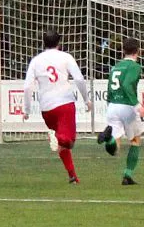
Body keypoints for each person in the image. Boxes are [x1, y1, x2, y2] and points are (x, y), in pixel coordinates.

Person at [23, 30, 93, 184]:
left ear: (44, 43)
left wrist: (26, 109)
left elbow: (27, 86)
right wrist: (87, 100)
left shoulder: (36, 60)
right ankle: (58, 137)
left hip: (46, 109)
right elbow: (79, 79)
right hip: (64, 104)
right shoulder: (65, 57)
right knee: (68, 141)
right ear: (59, 43)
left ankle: (72, 176)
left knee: (64, 146)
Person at [96, 37, 144, 185]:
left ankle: (108, 139)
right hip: (127, 107)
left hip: (112, 106)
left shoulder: (115, 67)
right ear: (138, 51)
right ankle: (127, 175)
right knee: (135, 140)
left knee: (115, 148)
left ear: (122, 51)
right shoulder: (135, 67)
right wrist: (138, 106)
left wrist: (110, 106)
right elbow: (126, 85)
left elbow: (110, 89)